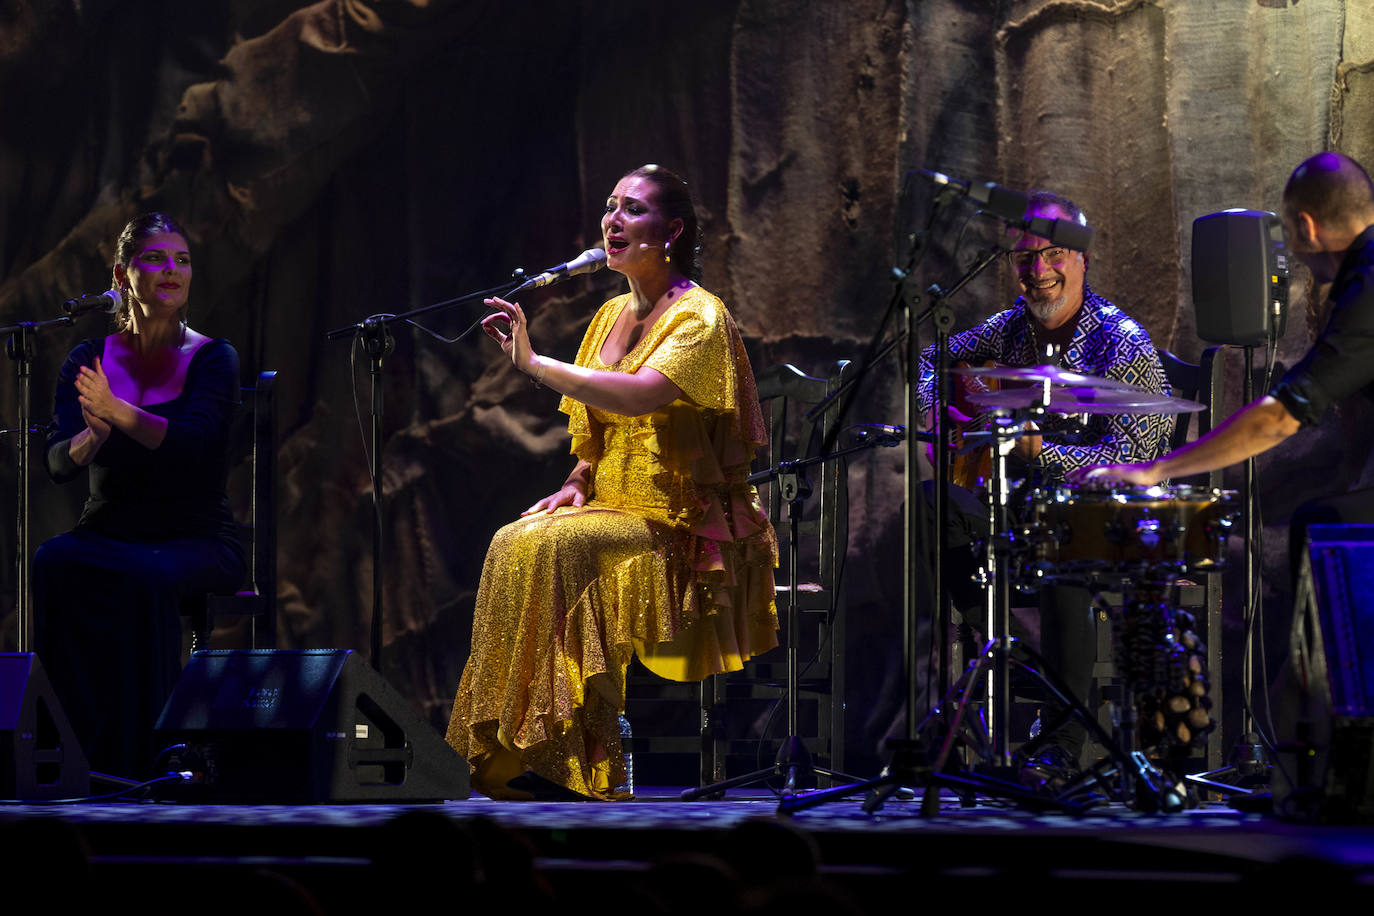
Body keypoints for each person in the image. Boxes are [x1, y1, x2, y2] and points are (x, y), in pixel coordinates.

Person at [445, 164, 779, 800]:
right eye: (609, 207)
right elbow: (599, 432)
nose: (612, 220)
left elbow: (637, 398)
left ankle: (581, 763)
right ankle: (512, 753)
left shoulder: (700, 318)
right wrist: (576, 481)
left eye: (632, 209)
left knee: (558, 549)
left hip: (676, 525)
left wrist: (537, 364)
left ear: (671, 230)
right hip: (611, 508)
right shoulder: (607, 315)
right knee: (513, 540)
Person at [916, 190, 1175, 788]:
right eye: (1025, 258)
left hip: (1099, 526)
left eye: (1054, 254)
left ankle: (1061, 743)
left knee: (1064, 541)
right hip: (1010, 519)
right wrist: (943, 416)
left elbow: (1136, 458)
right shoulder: (1008, 330)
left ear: (1082, 259)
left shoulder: (1122, 344)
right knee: (932, 507)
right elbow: (929, 360)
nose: (1039, 271)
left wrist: (1045, 453)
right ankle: (991, 667)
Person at [1075, 151, 1374, 562]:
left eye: (1288, 235)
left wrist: (1152, 471)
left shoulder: (1367, 287)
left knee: (1322, 532)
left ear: (1307, 227)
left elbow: (1280, 416)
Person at [34, 213, 246, 779]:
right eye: (155, 258)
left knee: (145, 577)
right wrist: (91, 437)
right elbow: (56, 461)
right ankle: (64, 755)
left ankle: (147, 756)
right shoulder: (89, 358)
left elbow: (195, 447)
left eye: (182, 258)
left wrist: (117, 413)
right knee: (53, 559)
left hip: (196, 536)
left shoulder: (213, 357)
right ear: (122, 273)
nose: (172, 269)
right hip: (110, 530)